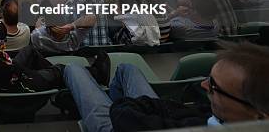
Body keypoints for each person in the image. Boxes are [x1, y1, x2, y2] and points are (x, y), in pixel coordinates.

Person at [63, 41, 269, 131]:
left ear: (259, 116)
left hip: (125, 123)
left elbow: (125, 117)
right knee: (127, 68)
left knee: (73, 68)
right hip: (142, 116)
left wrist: (130, 108)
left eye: (214, 86)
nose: (203, 85)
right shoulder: (227, 116)